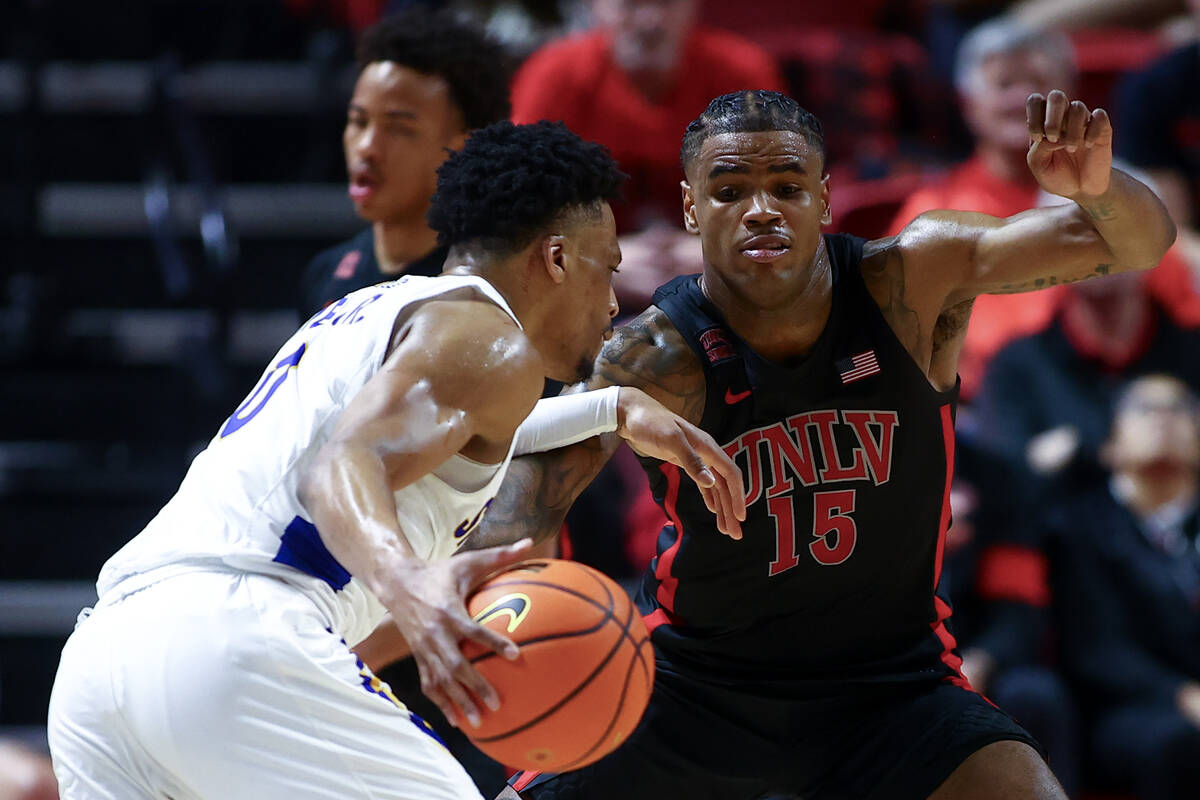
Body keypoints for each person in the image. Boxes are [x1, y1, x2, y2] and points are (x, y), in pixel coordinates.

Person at [473, 88, 1176, 799]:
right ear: (690, 208)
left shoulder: (915, 279)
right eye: (729, 191)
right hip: (697, 688)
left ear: (825, 199)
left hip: (893, 688)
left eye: (787, 187)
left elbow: (1141, 241)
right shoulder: (654, 357)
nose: (761, 210)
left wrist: (1098, 190)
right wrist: (491, 600)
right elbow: (530, 490)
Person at [45, 121, 744, 800]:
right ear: (557, 259)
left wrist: (611, 408)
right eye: (608, 270)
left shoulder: (380, 312)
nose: (612, 304)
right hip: (233, 637)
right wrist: (409, 585)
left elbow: (454, 428)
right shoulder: (493, 341)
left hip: (104, 659)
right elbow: (341, 466)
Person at [510, 0, 786, 309]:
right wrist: (592, 261)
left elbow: (786, 194)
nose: (651, 21)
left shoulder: (742, 71)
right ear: (594, 6)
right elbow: (514, 208)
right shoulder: (554, 76)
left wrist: (723, 253)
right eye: (630, 4)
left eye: (666, 3)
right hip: (584, 293)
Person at [887, 18, 1075, 399]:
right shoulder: (933, 212)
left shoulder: (1105, 200)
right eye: (1004, 84)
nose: (1024, 98)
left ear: (1069, 98)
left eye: (1039, 83)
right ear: (968, 104)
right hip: (978, 408)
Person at [298, 9, 513, 319]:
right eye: (359, 121)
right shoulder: (325, 274)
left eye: (399, 128)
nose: (367, 147)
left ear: (466, 145)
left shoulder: (496, 284)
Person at [1048, 375, 1200, 799]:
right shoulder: (1078, 527)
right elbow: (1096, 650)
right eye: (1144, 409)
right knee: (1175, 744)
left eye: (1178, 409)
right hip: (1130, 707)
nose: (1163, 420)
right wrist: (1185, 696)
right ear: (1110, 446)